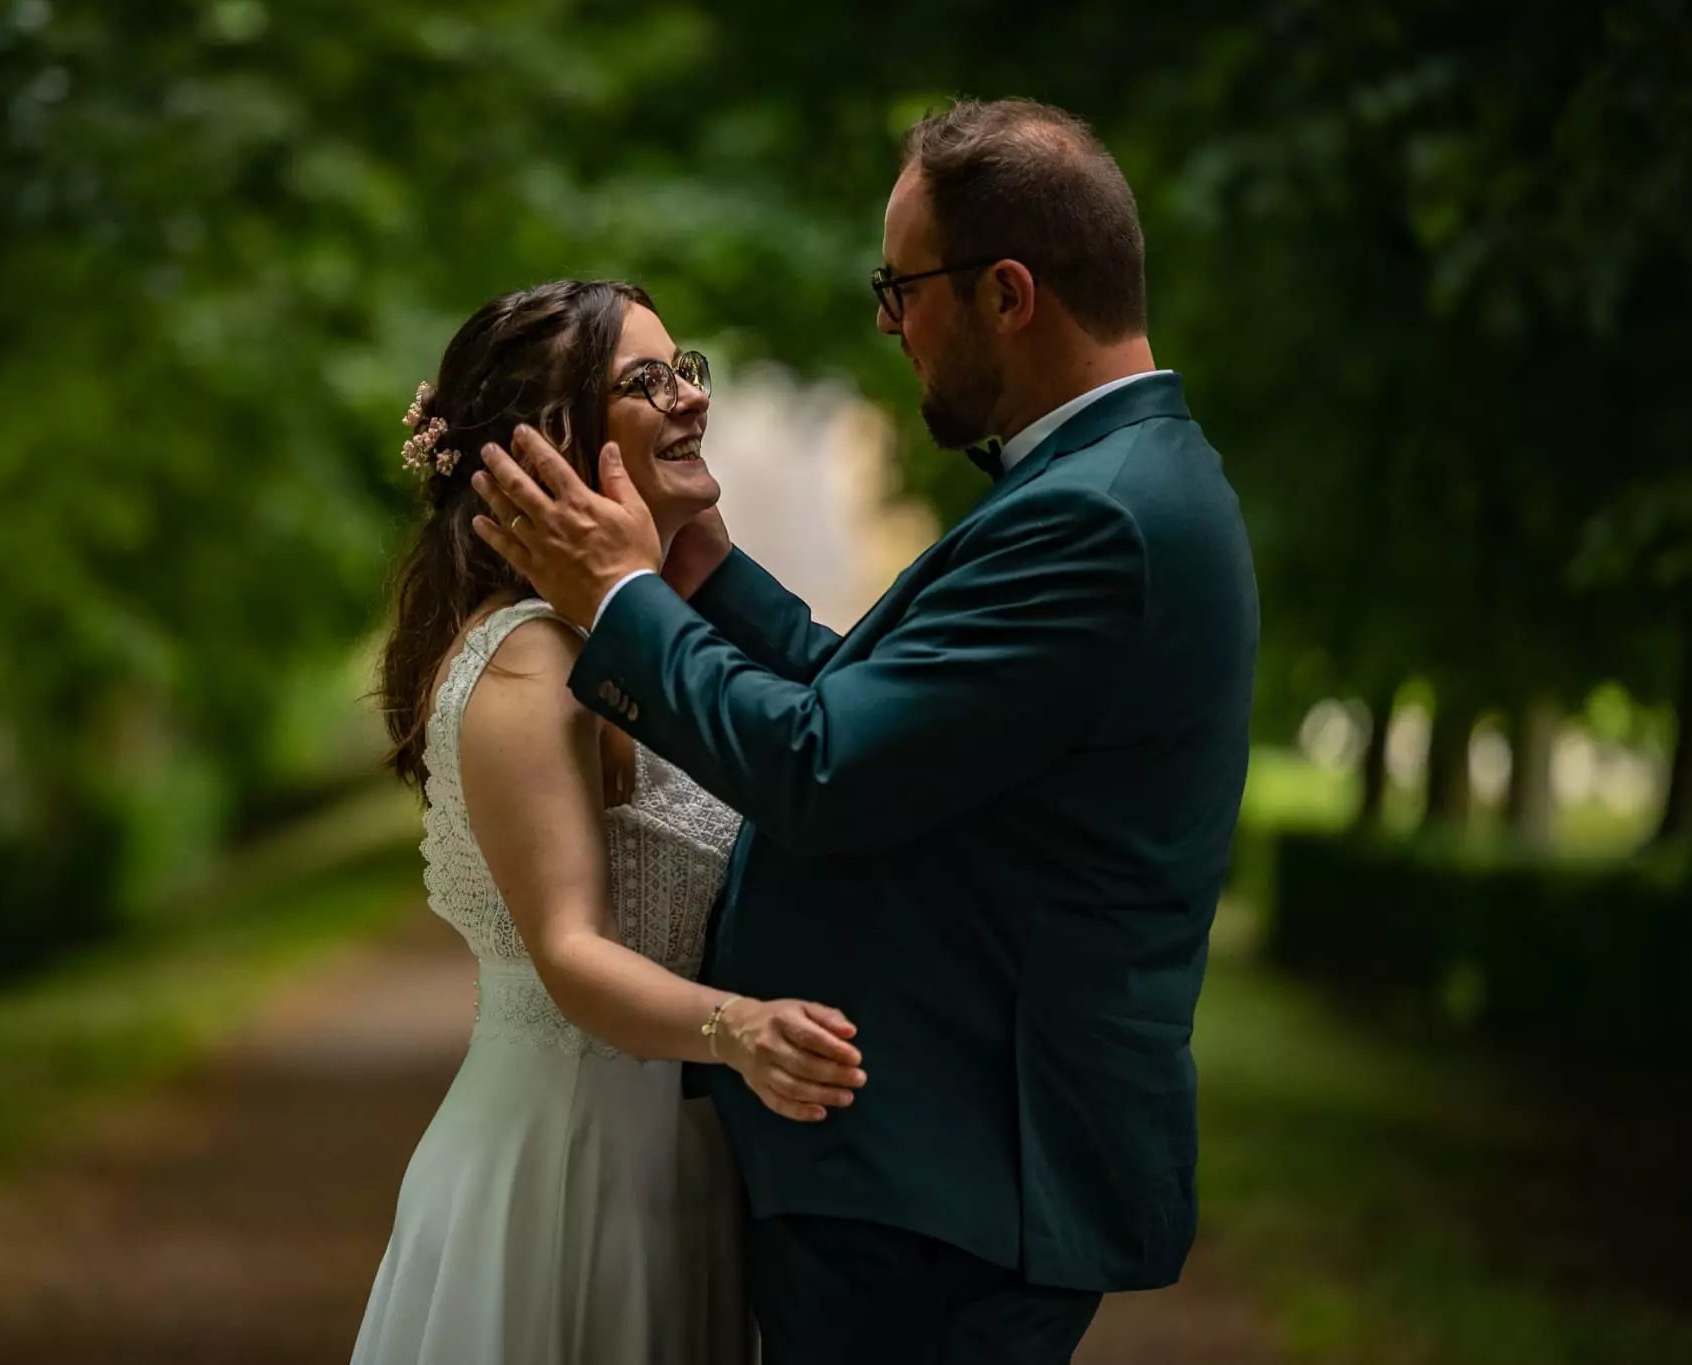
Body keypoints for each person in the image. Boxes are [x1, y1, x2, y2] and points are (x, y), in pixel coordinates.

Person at [470, 99, 1260, 1364]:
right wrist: (710, 577)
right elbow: (883, 714)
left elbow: (821, 766)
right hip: (925, 1178)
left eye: (900, 290)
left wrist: (616, 601)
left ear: (1005, 293)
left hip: (948, 1181)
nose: (888, 325)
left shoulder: (1094, 518)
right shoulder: (1108, 485)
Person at [350, 279, 866, 1365]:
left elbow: (837, 733)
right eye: (645, 381)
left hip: (675, 1166)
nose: (688, 399)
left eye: (687, 371)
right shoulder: (527, 661)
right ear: (554, 446)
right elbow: (570, 950)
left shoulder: (637, 641)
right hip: (568, 1168)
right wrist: (741, 1028)